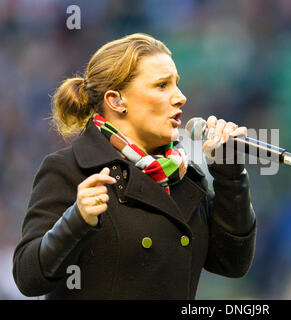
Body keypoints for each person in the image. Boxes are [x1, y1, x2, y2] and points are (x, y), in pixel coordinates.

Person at [12, 33, 256, 299]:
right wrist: (76, 220)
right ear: (116, 100)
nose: (180, 97)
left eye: (177, 84)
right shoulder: (69, 168)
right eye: (162, 86)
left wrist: (230, 175)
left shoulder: (186, 177)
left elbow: (232, 263)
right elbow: (28, 278)